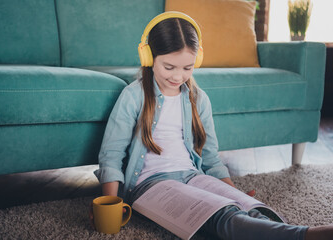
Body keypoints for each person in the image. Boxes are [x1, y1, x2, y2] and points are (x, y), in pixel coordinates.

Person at [91, 11, 333, 240]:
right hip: (151, 184)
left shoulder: (198, 99)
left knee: (246, 208)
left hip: (192, 175)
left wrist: (231, 190)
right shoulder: (133, 96)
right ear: (148, 57)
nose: (178, 77)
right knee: (220, 217)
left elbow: (210, 158)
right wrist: (110, 204)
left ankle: (295, 231)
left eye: (187, 68)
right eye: (169, 67)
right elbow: (111, 154)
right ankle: (305, 236)